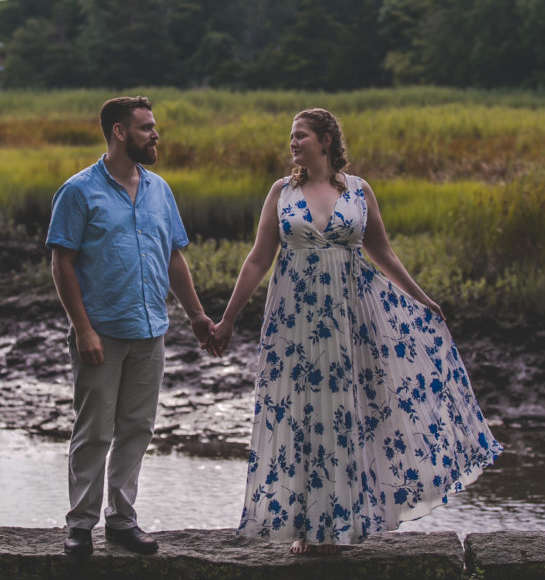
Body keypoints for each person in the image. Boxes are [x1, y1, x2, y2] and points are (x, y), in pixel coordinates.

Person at [209, 108, 502, 554]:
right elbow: (257, 258)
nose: (292, 143)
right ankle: (309, 528)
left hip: (351, 322)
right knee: (304, 414)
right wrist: (228, 319)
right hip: (296, 323)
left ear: (326, 140)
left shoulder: (360, 191)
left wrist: (422, 298)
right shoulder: (282, 192)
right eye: (291, 136)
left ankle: (343, 525)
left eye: (301, 135)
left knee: (349, 416)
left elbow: (381, 250)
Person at [47, 95, 214, 557]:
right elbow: (62, 264)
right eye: (146, 128)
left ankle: (122, 520)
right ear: (120, 132)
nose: (155, 134)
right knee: (94, 430)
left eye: (154, 127)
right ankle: (80, 525)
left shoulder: (160, 190)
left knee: (137, 428)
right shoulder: (78, 191)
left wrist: (196, 314)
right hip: (101, 332)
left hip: (150, 331)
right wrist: (82, 329)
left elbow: (174, 258)